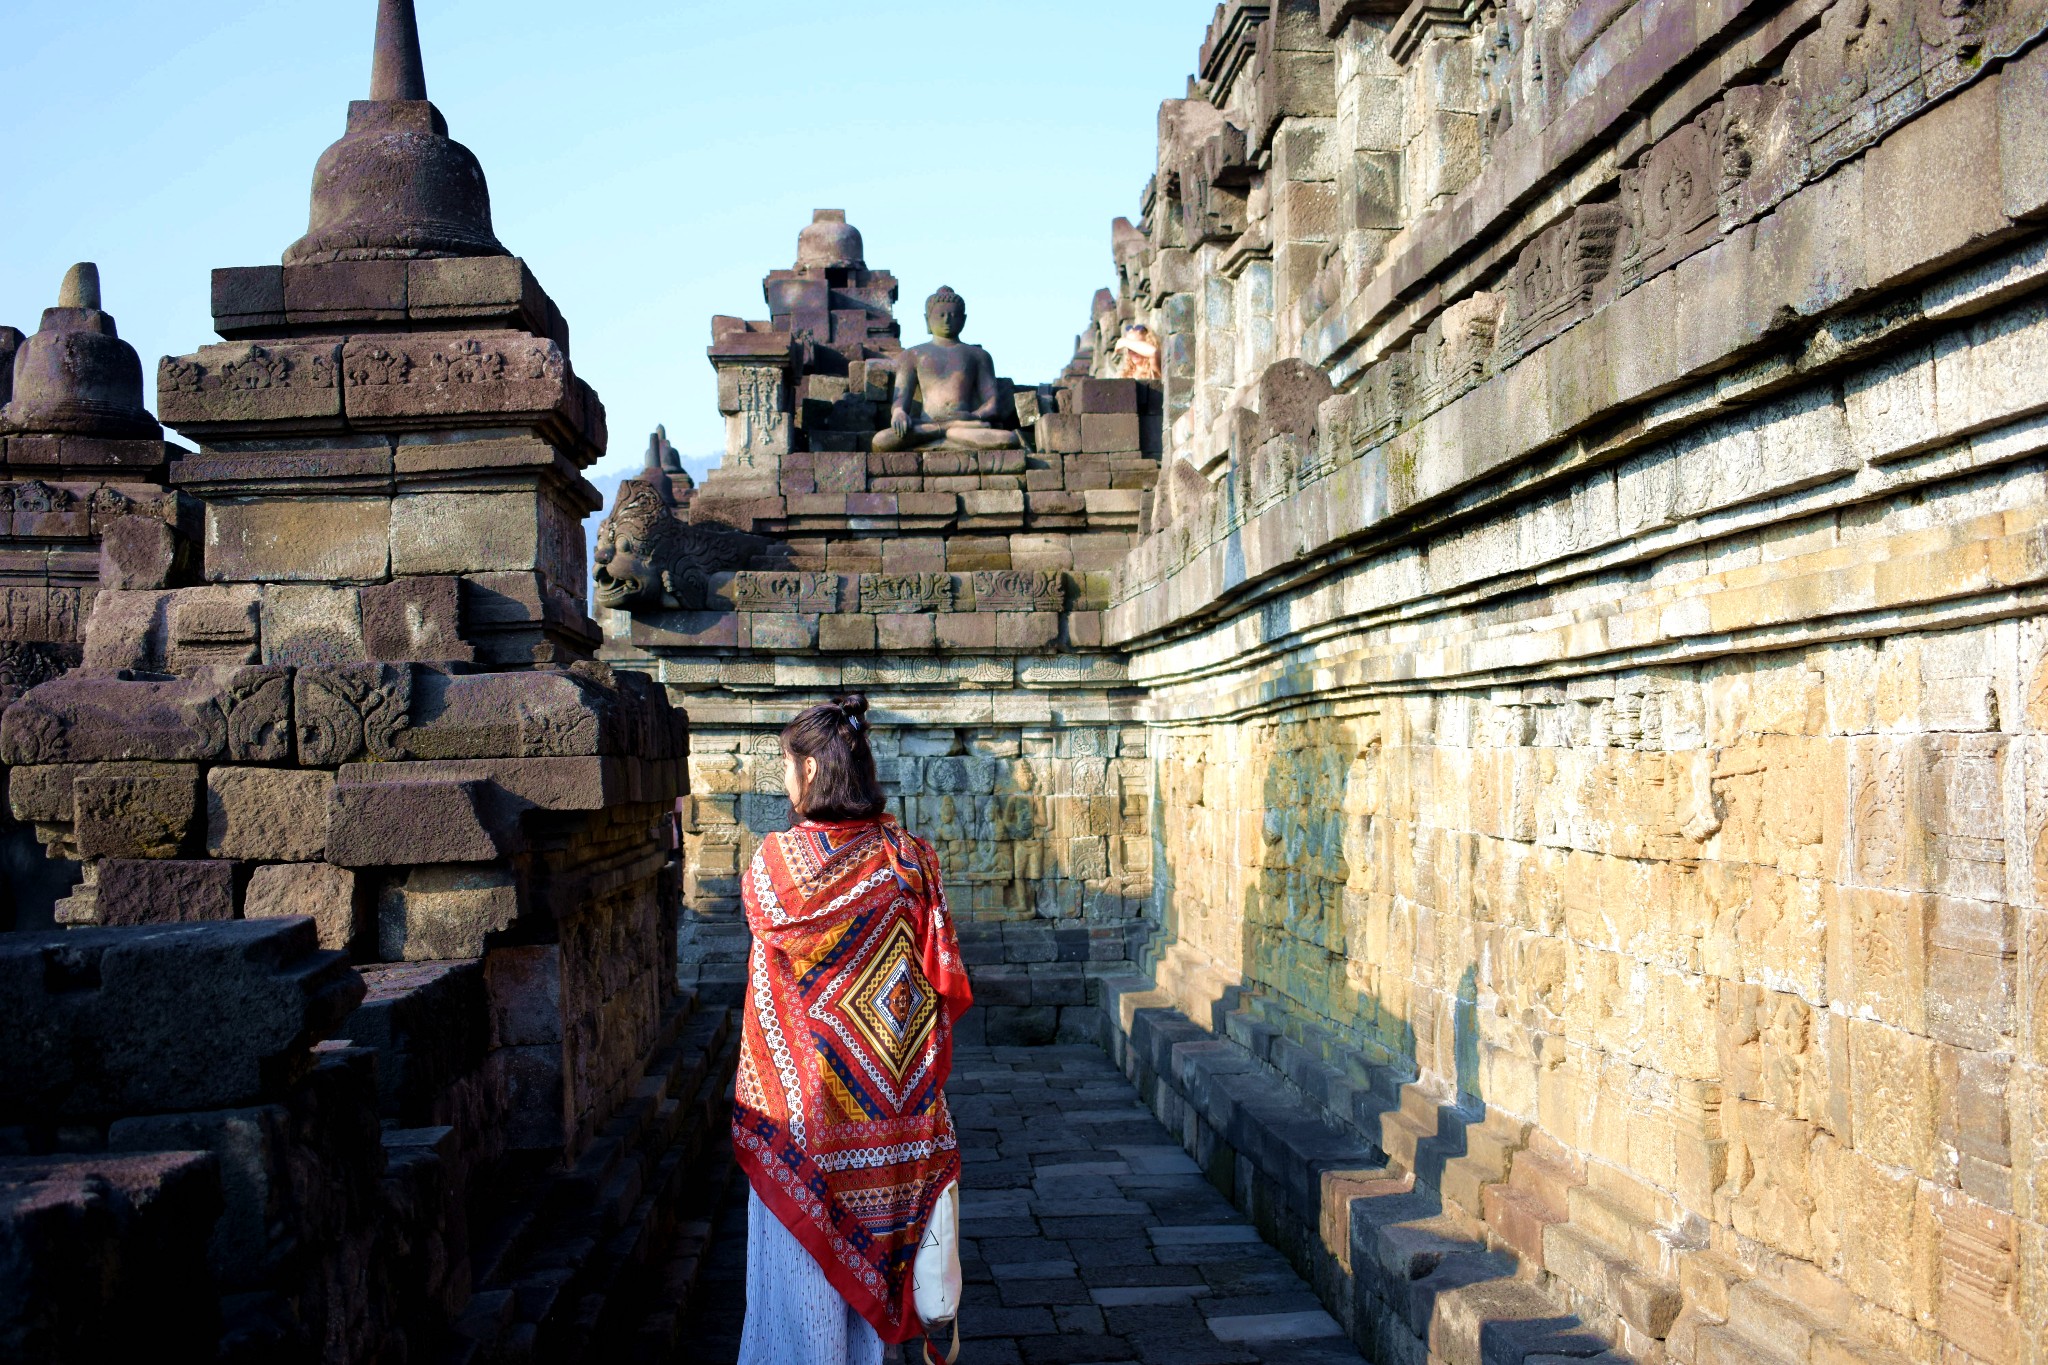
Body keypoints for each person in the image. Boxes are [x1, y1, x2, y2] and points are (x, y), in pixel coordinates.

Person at [733, 694, 973, 1365]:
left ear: (810, 771)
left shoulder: (778, 865)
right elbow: (940, 982)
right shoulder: (910, 860)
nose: (786, 780)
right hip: (887, 1123)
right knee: (869, 1284)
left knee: (795, 1292)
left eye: (788, 764)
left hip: (798, 1120)